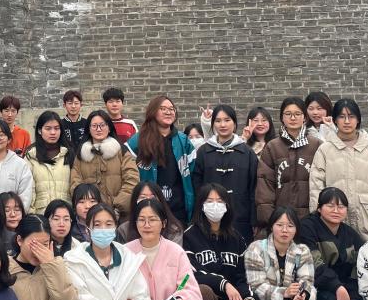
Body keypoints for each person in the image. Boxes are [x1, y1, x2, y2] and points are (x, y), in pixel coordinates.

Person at [181, 184, 256, 300]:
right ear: (201, 205)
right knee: (204, 291)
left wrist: (248, 297)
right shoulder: (190, 236)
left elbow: (243, 274)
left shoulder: (236, 238)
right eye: (210, 201)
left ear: (227, 206)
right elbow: (192, 274)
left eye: (220, 201)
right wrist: (223, 284)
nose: (215, 206)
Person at [309, 99, 368, 239]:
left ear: (358, 120)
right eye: (341, 116)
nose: (347, 121)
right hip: (334, 221)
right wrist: (317, 219)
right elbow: (316, 187)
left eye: (351, 116)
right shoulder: (325, 150)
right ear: (335, 120)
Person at [126, 95, 196, 225]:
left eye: (171, 109)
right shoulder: (137, 141)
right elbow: (127, 175)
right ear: (153, 112)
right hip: (148, 210)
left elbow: (194, 174)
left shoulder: (184, 141)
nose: (168, 112)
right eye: (163, 108)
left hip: (178, 210)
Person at [256, 97, 322, 232]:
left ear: (304, 117)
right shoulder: (272, 147)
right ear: (282, 117)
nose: (293, 118)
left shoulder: (316, 145)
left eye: (297, 114)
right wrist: (271, 220)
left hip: (312, 221)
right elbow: (265, 187)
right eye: (288, 114)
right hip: (281, 221)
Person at [192, 104, 256, 240]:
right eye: (218, 120)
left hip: (240, 216)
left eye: (227, 120)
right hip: (209, 217)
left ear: (234, 123)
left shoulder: (247, 153)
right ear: (213, 124)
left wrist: (254, 220)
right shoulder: (203, 151)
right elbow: (197, 186)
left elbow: (254, 188)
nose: (222, 125)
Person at [70, 111, 140, 218]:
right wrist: (87, 206)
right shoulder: (81, 155)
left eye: (102, 125)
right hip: (89, 215)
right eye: (94, 126)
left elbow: (132, 180)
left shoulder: (122, 152)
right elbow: (75, 183)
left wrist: (117, 208)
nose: (98, 129)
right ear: (88, 129)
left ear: (109, 128)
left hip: (120, 215)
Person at [26, 110, 73, 214]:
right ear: (39, 130)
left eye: (56, 128)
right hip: (41, 214)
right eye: (48, 128)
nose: (53, 132)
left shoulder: (68, 154)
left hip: (65, 214)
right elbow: (29, 190)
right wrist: (32, 216)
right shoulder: (31, 156)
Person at [116, 181, 184, 244]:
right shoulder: (124, 229)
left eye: (153, 198)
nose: (148, 202)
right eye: (143, 198)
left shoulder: (173, 230)